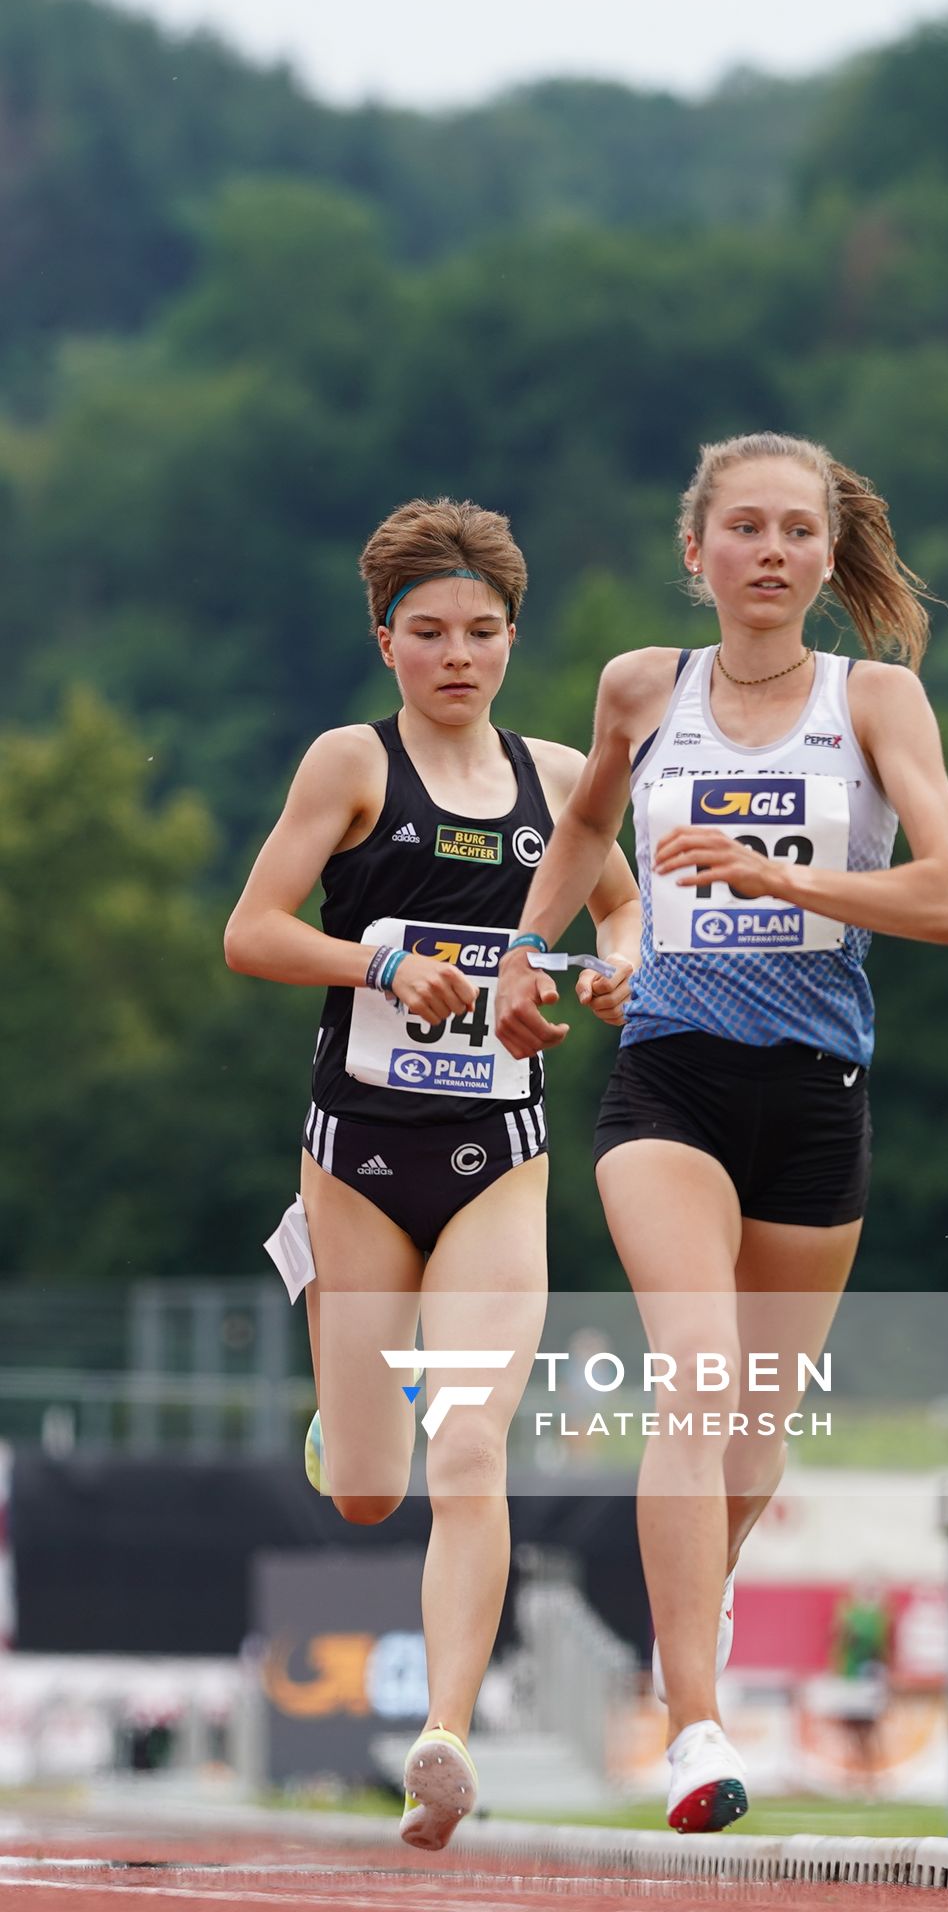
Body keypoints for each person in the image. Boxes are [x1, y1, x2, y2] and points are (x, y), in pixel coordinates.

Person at [495, 431, 948, 1832]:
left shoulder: (877, 701)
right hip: (672, 1080)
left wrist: (780, 871)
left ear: (829, 558)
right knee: (696, 1383)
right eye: (745, 528)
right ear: (695, 549)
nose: (770, 552)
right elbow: (585, 827)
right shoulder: (643, 691)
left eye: (797, 532)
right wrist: (530, 955)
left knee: (754, 1446)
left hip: (818, 1100)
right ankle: (698, 1724)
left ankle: (673, 1640)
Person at [224, 497, 640, 1849]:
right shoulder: (350, 766)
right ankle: (338, 1406)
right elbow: (253, 931)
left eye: (482, 633)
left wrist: (622, 967)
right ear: (385, 640)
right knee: (367, 1486)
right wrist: (384, 965)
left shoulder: (557, 781)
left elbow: (619, 898)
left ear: (514, 637)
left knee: (471, 1451)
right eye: (428, 634)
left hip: (494, 1167)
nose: (457, 656)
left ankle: (443, 1737)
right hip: (354, 1162)